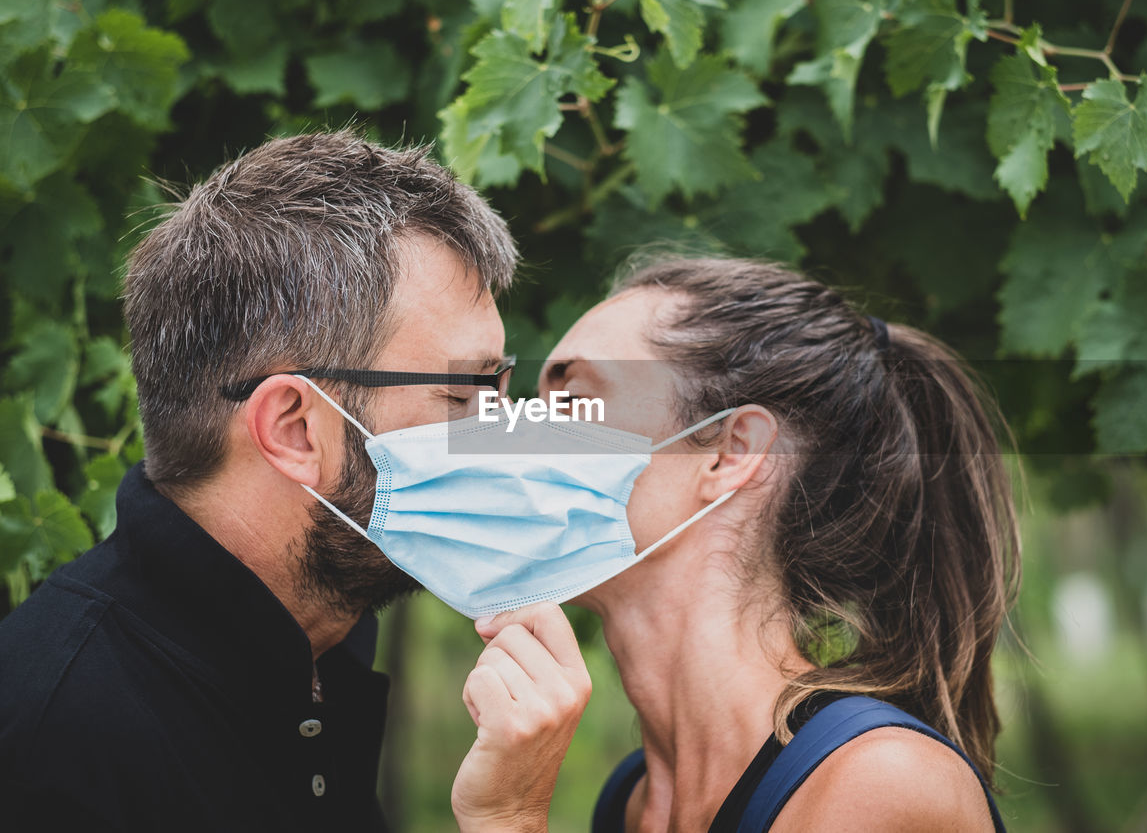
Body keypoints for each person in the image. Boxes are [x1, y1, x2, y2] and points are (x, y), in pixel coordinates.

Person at [0, 130, 578, 832]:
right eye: (464, 394)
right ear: (297, 427)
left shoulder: (321, 654)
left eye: (500, 387)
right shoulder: (49, 744)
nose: (500, 431)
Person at [460, 256, 1018, 831]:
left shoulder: (877, 784)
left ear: (728, 453)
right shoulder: (630, 801)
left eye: (574, 399)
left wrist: (508, 818)